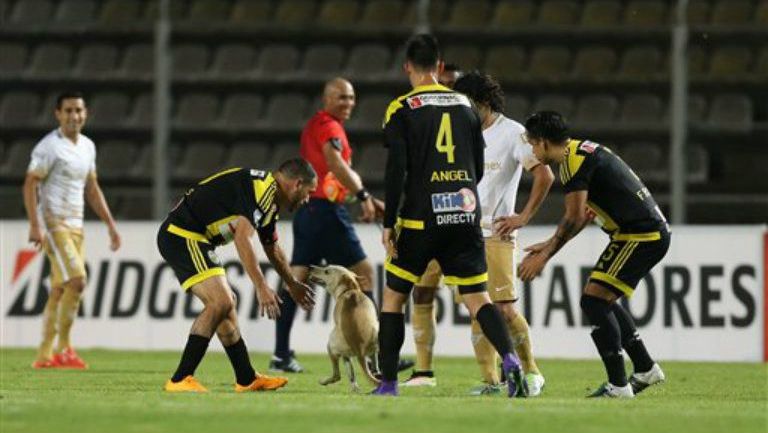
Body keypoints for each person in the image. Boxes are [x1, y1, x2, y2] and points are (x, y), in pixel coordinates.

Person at [373, 34, 527, 398]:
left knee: (394, 298)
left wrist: (388, 223)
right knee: (478, 298)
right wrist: (460, 198)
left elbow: (396, 169)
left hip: (419, 219)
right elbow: (476, 166)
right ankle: (511, 361)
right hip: (464, 214)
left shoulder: (401, 108)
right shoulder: (465, 106)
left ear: (407, 67)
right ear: (440, 67)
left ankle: (390, 384)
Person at [402, 72, 554, 397]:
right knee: (477, 309)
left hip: (496, 233)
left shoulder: (513, 133)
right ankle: (492, 382)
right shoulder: (463, 131)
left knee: (505, 309)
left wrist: (522, 217)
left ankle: (532, 372)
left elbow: (545, 175)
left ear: (484, 103)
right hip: (462, 230)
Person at [517, 111, 668, 398]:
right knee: (600, 299)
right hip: (638, 233)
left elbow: (573, 217)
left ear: (546, 143)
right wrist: (550, 242)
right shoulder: (579, 152)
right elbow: (584, 214)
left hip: (641, 234)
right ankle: (645, 368)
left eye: (534, 144)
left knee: (594, 301)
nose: (533, 151)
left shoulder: (573, 163)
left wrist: (544, 256)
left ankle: (619, 385)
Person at [272, 77, 413, 375]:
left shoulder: (316, 124)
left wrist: (367, 200)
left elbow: (331, 179)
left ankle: (281, 354)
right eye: (341, 97)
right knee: (364, 275)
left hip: (310, 212)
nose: (348, 103)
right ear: (326, 99)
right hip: (326, 214)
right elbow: (336, 165)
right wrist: (363, 196)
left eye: (351, 98)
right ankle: (378, 353)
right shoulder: (330, 127)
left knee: (296, 280)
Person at [158, 160, 317, 393]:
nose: (307, 199)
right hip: (182, 235)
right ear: (297, 183)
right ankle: (180, 378)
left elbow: (271, 247)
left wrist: (292, 283)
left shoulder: (269, 200)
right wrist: (261, 287)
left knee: (226, 305)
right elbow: (244, 238)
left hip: (196, 238)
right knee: (220, 301)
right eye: (309, 192)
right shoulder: (263, 191)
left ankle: (246, 378)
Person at [24, 91, 121, 370]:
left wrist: (110, 225)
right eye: (67, 111)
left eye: (78, 110)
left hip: (76, 226)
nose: (73, 116)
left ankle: (44, 356)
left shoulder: (88, 146)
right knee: (78, 281)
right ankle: (64, 349)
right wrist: (34, 224)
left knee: (59, 289)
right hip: (54, 225)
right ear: (58, 114)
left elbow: (92, 189)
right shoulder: (49, 147)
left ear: (85, 113)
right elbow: (30, 183)